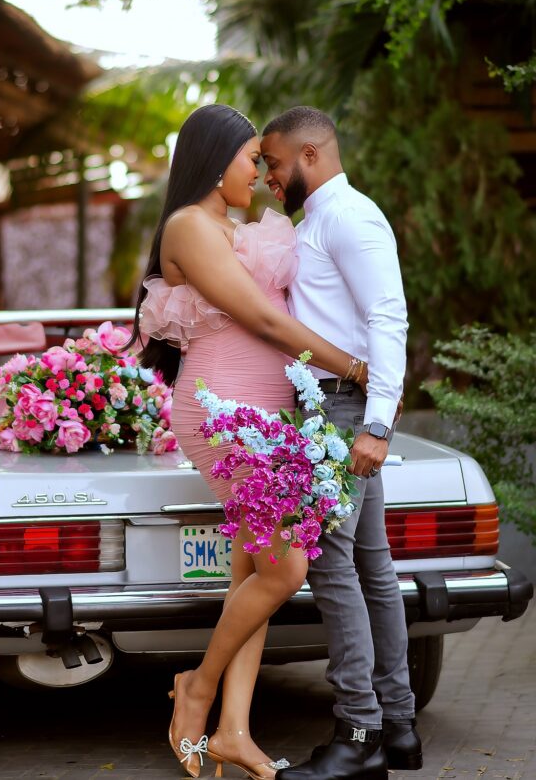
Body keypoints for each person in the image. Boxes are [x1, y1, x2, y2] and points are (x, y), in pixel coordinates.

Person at [127, 104, 370, 780]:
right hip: (225, 413)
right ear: (215, 158)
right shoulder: (189, 226)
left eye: (267, 161)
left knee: (254, 572)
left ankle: (233, 729)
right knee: (286, 568)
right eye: (251, 159)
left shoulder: (237, 230)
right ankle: (197, 690)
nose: (261, 173)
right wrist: (354, 366)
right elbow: (262, 318)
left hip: (271, 411)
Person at [261, 106, 421, 780]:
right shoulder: (317, 222)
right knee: (372, 566)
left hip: (341, 409)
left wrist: (377, 422)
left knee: (328, 562)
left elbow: (389, 315)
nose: (268, 176)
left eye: (273, 163)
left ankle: (358, 729)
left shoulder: (348, 217)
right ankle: (398, 728)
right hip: (331, 405)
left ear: (310, 156)